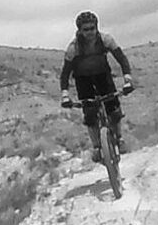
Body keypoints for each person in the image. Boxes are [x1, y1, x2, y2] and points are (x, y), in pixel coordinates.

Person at [58, 10, 136, 163]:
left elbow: (121, 59)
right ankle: (96, 147)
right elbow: (65, 73)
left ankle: (119, 139)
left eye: (92, 28)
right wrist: (65, 95)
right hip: (82, 80)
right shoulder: (73, 48)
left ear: (97, 27)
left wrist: (127, 79)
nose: (90, 32)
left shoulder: (106, 40)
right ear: (79, 30)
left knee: (114, 109)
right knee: (90, 115)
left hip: (102, 75)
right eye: (86, 29)